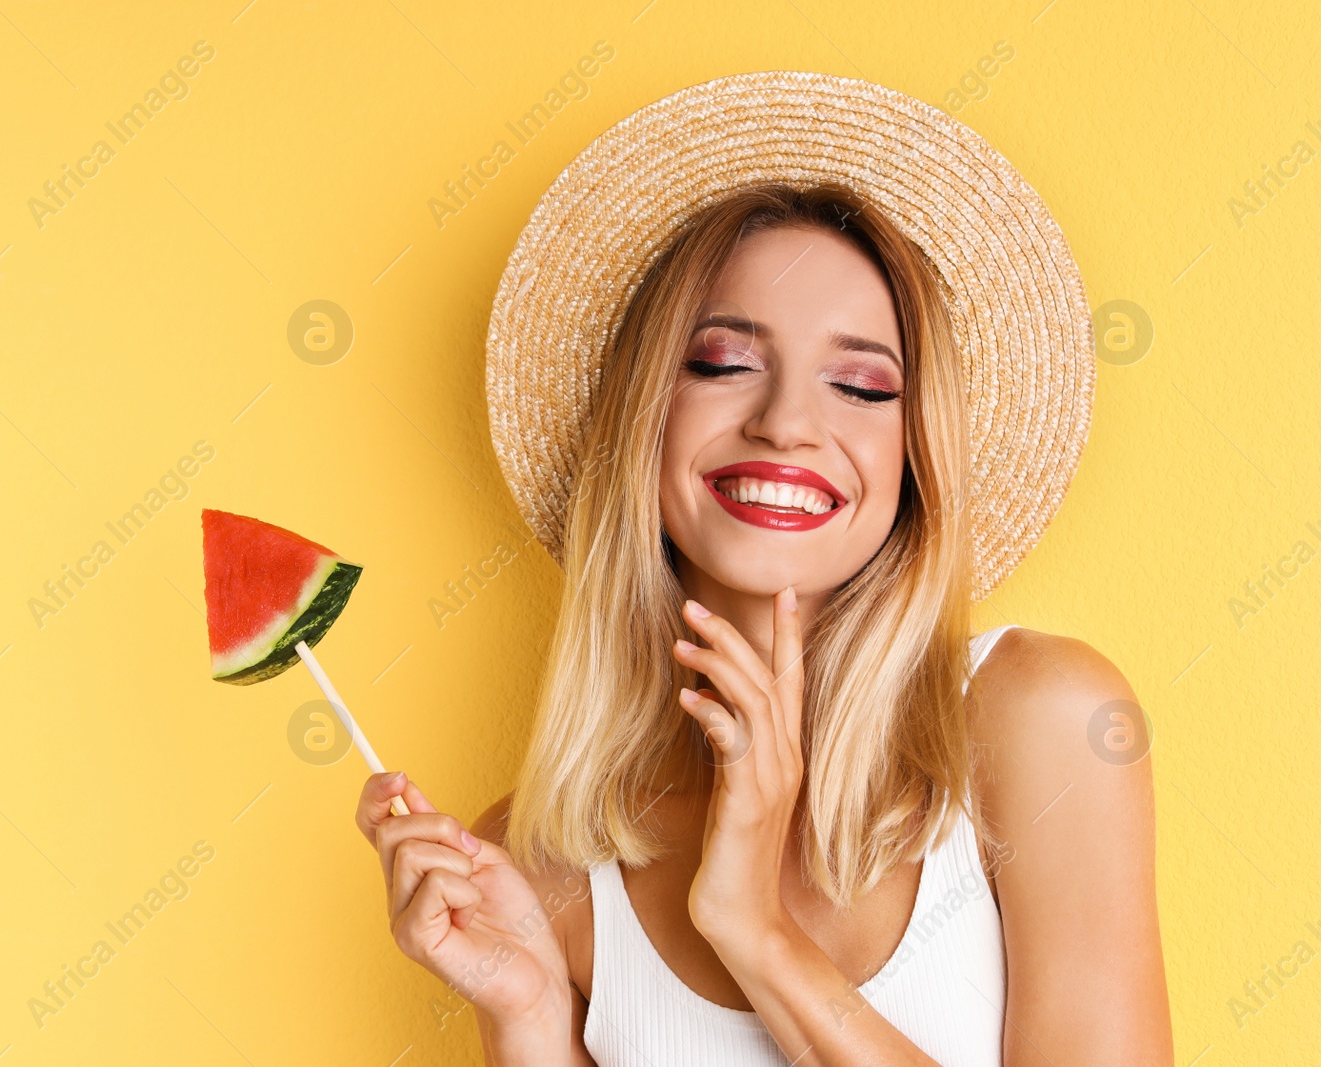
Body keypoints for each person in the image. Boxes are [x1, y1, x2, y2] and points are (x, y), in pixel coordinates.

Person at [356, 72, 1172, 1065]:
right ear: (643, 419)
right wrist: (523, 1010)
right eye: (722, 363)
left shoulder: (1041, 719)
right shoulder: (543, 861)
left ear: (915, 456)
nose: (787, 421)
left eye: (862, 384)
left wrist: (756, 932)